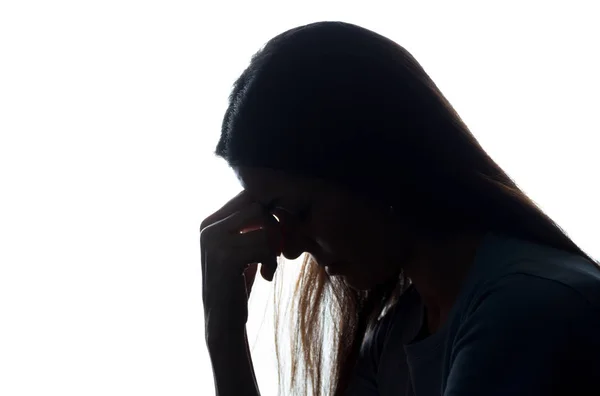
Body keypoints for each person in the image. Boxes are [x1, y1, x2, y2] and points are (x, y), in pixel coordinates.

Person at [199, 21, 600, 396]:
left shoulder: (524, 312)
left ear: (373, 165)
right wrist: (224, 331)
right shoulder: (400, 332)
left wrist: (223, 333)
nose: (288, 249)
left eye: (299, 212)